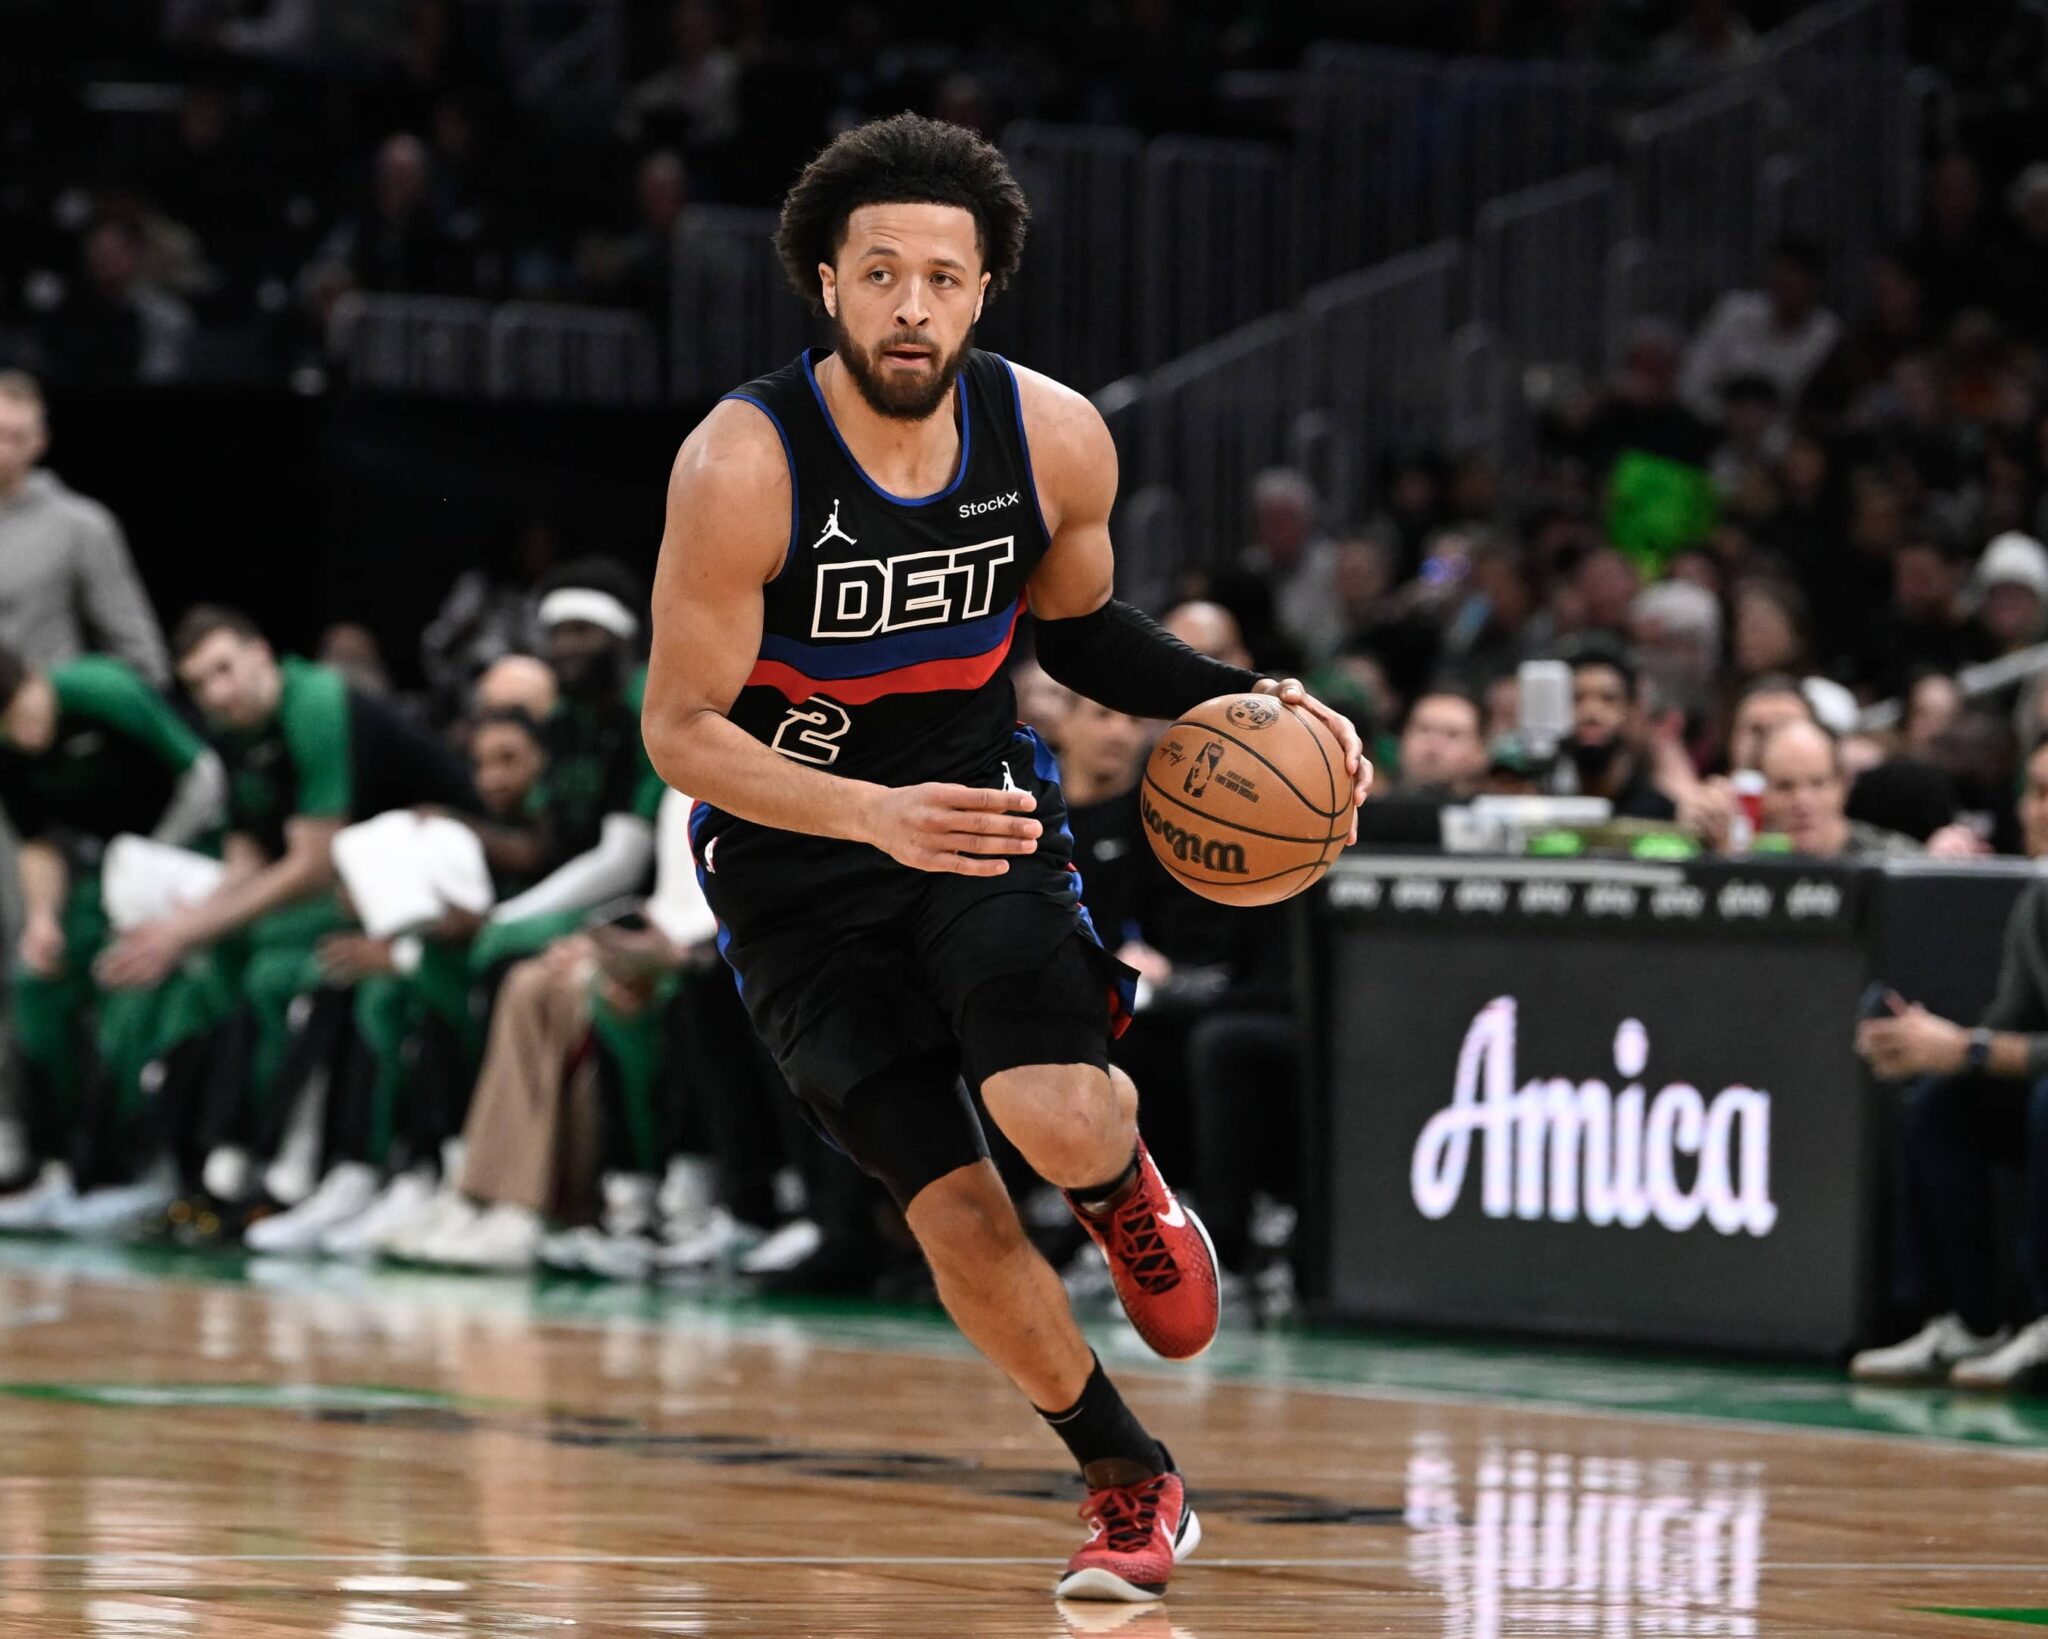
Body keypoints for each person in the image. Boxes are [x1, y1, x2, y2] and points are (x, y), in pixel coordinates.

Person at [641, 114, 1368, 1606]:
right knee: (956, 1213)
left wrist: (1235, 701)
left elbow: (1084, 628)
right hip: (793, 869)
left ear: (984, 294)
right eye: (883, 274)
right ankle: (1128, 1477)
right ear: (828, 285)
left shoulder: (1051, 435)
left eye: (943, 279)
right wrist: (863, 814)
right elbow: (681, 727)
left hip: (977, 815)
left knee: (1049, 1111)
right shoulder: (739, 462)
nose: (913, 304)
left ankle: (1118, 1181)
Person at [97, 605, 478, 1214]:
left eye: (224, 670)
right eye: (199, 683)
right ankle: (196, 1156)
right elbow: (245, 859)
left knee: (276, 965)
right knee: (205, 959)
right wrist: (175, 931)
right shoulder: (232, 734)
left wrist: (183, 930)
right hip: (353, 883)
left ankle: (308, 1162)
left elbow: (311, 862)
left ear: (261, 655)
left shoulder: (315, 703)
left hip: (435, 877)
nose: (216, 693)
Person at [0, 647, 228, 1231]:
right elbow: (38, 842)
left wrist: (146, 860)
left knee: (131, 978)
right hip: (104, 876)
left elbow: (203, 776)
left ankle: (141, 1163)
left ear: (35, 681)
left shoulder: (103, 692)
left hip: (188, 848)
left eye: (22, 715)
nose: (23, 736)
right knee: (38, 986)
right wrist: (43, 919)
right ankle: (59, 1160)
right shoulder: (9, 748)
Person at [1851, 735, 2048, 1389]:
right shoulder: (2039, 902)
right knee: (1945, 1097)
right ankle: (1967, 1318)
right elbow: (2006, 1028)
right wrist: (1923, 1043)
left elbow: (1995, 1047)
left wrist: (1970, 1047)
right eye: (2036, 792)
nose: (2039, 810)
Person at [0, 372, 168, 683]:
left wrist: (67, 696)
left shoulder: (80, 525)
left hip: (47, 713)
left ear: (40, 440)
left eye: (17, 437)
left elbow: (139, 655)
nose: (4, 450)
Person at [1756, 720, 1917, 859]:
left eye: (1817, 783)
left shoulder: (1897, 863)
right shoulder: (1747, 864)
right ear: (1763, 794)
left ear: (1842, 786)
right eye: (1785, 786)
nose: (1801, 801)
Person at [1394, 688, 1487, 797]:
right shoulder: (1372, 803)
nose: (1434, 745)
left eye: (1452, 735)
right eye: (1424, 730)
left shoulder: (1501, 809)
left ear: (1479, 750)